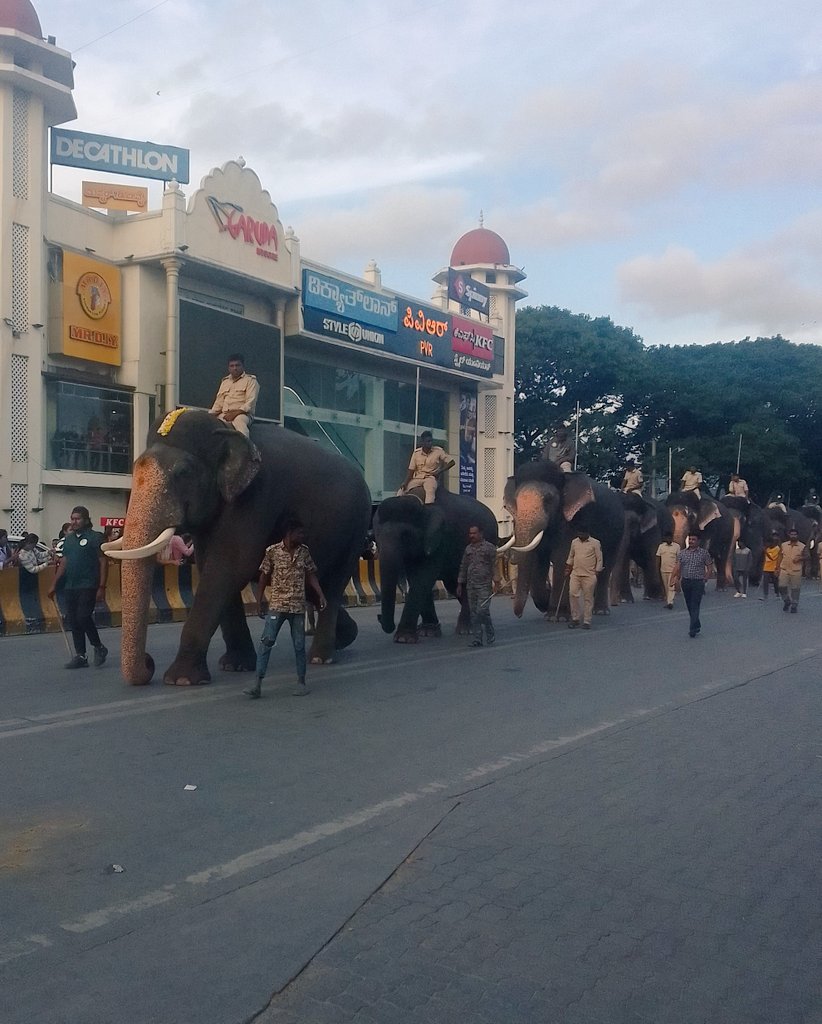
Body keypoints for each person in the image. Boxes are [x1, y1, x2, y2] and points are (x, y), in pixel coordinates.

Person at [245, 519, 327, 699]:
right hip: (277, 606)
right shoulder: (272, 552)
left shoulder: (304, 552)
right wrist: (258, 601)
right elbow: (263, 576)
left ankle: (301, 682)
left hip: (297, 607)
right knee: (266, 643)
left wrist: (320, 594)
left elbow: (310, 574)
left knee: (299, 645)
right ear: (289, 533)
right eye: (300, 532)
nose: (302, 536)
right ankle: (257, 685)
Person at [47, 506, 108, 669]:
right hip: (70, 585)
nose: (74, 522)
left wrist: (102, 586)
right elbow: (64, 562)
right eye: (72, 518)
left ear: (86, 520)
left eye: (78, 519)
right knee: (73, 620)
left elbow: (103, 562)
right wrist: (53, 584)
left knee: (83, 616)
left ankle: (99, 646)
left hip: (88, 584)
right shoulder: (69, 539)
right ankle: (81, 655)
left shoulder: (96, 538)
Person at [457, 525, 501, 647]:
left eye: (474, 533)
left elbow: (494, 565)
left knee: (482, 610)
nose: (472, 536)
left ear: (481, 534)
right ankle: (477, 639)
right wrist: (460, 584)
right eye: (470, 533)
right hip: (471, 585)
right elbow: (463, 566)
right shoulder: (468, 549)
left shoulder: (489, 548)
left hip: (484, 585)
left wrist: (496, 582)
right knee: (473, 613)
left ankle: (490, 631)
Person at [671, 533, 712, 638]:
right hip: (686, 582)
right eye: (690, 539)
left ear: (698, 541)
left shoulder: (704, 553)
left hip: (698, 583)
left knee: (695, 604)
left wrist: (706, 578)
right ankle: (696, 624)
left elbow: (709, 567)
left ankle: (692, 629)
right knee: (689, 605)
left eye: (694, 539)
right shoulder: (682, 553)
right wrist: (673, 578)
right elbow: (678, 567)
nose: (691, 541)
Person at [209, 353, 259, 438]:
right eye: (232, 366)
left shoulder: (251, 381)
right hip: (224, 414)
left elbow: (250, 402)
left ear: (243, 366)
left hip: (243, 415)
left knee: (239, 423)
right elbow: (218, 403)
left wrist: (235, 413)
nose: (235, 368)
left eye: (237, 365)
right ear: (228, 368)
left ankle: (245, 448)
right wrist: (209, 415)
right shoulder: (225, 382)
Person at [399, 430, 452, 505]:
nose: (430, 443)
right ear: (422, 442)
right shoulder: (416, 453)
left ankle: (428, 509)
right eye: (428, 441)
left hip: (430, 478)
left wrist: (440, 471)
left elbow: (452, 462)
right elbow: (411, 470)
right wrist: (405, 482)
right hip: (417, 478)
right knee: (401, 491)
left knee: (430, 492)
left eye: (431, 441)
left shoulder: (438, 451)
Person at [564, 528, 603, 629]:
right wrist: (568, 567)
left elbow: (599, 558)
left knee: (588, 598)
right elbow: (571, 556)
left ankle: (586, 621)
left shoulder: (595, 543)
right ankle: (575, 618)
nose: (580, 535)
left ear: (588, 533)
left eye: (582, 533)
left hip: (589, 575)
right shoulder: (574, 542)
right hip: (575, 574)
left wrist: (597, 572)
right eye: (579, 533)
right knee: (572, 594)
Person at [776, 527, 808, 613]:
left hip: (796, 570)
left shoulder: (802, 546)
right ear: (789, 535)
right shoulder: (784, 545)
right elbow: (780, 556)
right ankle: (786, 600)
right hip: (784, 569)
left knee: (795, 589)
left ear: (797, 536)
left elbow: (807, 556)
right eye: (792, 534)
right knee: (781, 586)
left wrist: (800, 558)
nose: (793, 536)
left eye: (795, 534)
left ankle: (794, 604)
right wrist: (777, 568)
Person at [656, 531, 680, 609]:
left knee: (671, 587)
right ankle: (668, 601)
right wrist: (657, 568)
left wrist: (678, 570)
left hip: (673, 570)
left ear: (672, 538)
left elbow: (679, 559)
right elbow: (658, 558)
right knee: (666, 587)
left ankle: (670, 603)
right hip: (663, 570)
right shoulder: (661, 547)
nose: (668, 539)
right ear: (665, 538)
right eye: (667, 538)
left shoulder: (677, 546)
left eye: (670, 538)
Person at [760, 533, 781, 600]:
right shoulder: (768, 549)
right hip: (766, 568)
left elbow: (772, 558)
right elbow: (765, 559)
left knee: (775, 582)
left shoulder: (777, 549)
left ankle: (777, 594)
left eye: (768, 543)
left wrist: (765, 552)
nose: (767, 545)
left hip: (774, 568)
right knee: (765, 582)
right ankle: (765, 595)